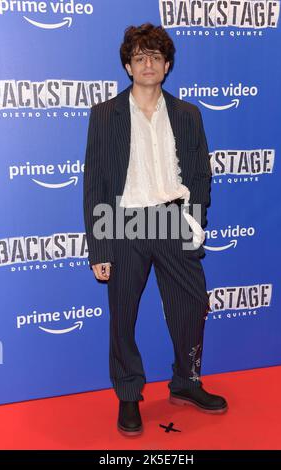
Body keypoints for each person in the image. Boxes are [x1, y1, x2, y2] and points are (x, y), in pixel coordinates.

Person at [83, 23, 227, 437]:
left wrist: (193, 220)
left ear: (166, 65)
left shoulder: (187, 114)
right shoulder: (104, 115)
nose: (149, 64)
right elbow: (95, 183)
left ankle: (186, 382)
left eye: (156, 57)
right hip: (123, 221)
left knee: (191, 307)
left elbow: (200, 174)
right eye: (140, 57)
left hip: (173, 219)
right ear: (129, 65)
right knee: (123, 317)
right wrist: (99, 247)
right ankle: (129, 396)